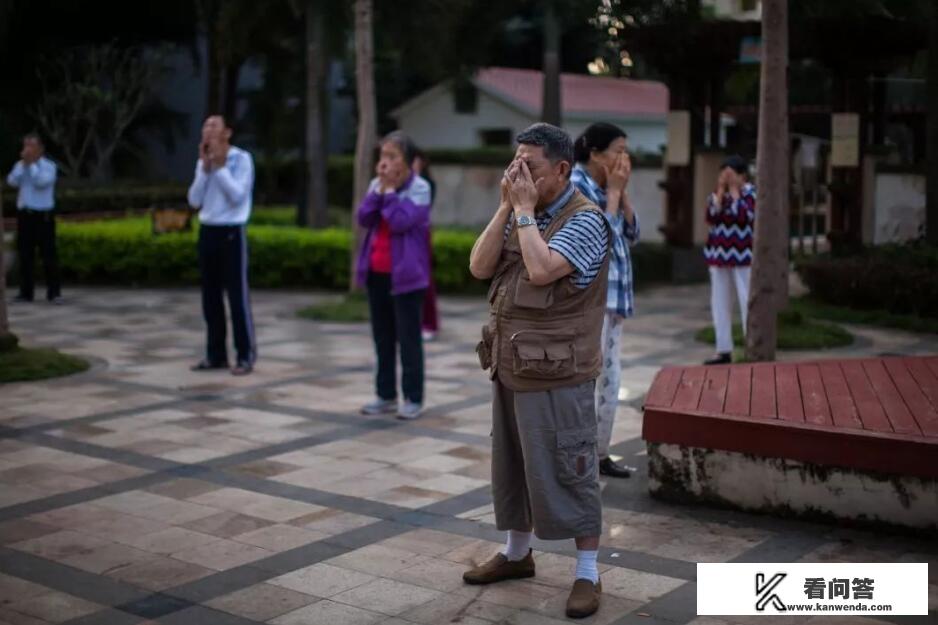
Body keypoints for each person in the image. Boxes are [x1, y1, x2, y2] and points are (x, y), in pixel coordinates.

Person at [466, 123, 611, 619]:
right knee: (512, 464)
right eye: (514, 162)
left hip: (561, 372)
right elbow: (479, 266)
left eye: (528, 164)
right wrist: (508, 206)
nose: (517, 172)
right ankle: (515, 553)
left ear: (562, 169)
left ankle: (588, 573)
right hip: (510, 363)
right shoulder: (518, 213)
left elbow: (544, 269)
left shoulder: (587, 219)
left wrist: (524, 212)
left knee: (571, 466)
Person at [570, 123, 639, 480]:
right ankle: (581, 458)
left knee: (611, 380)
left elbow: (632, 233)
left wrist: (621, 195)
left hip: (614, 300)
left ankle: (599, 453)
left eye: (626, 151)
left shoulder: (606, 185)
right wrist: (613, 195)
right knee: (587, 381)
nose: (624, 158)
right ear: (595, 153)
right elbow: (600, 241)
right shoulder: (578, 186)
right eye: (618, 150)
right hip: (591, 300)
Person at [356, 131, 432, 420]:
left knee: (409, 339)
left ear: (409, 162)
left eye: (392, 157)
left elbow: (400, 222)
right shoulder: (377, 184)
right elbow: (364, 218)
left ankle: (413, 397)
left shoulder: (420, 188)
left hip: (407, 277)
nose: (384, 163)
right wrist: (379, 191)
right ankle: (385, 395)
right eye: (382, 157)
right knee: (382, 338)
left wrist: (387, 193)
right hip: (377, 273)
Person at [186, 115, 257, 376]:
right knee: (210, 298)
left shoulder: (241, 159)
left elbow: (238, 196)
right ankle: (215, 355)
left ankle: (245, 355)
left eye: (213, 126)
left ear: (227, 132)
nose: (207, 131)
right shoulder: (204, 162)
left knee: (237, 297)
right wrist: (205, 169)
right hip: (208, 231)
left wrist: (221, 167)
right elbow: (194, 200)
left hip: (231, 233)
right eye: (205, 126)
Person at [703, 154, 756, 365]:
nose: (726, 178)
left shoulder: (751, 193)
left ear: (742, 175)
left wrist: (735, 192)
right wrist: (722, 191)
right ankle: (723, 349)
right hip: (719, 256)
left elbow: (746, 217)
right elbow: (711, 216)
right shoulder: (717, 195)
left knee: (747, 301)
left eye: (731, 174)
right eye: (723, 174)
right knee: (719, 304)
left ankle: (751, 347)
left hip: (743, 257)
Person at [6, 133, 60, 303]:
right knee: (25, 255)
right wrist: (24, 166)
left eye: (31, 146)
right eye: (25, 146)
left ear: (40, 149)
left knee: (48, 255)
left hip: (43, 215)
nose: (27, 150)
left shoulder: (49, 166)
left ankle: (54, 293)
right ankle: (26, 292)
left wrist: (32, 166)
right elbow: (12, 182)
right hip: (25, 215)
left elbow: (41, 182)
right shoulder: (19, 165)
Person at [412, 149, 440, 341]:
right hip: (404, 235)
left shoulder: (425, 184)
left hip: (420, 233)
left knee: (424, 278)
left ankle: (429, 323)